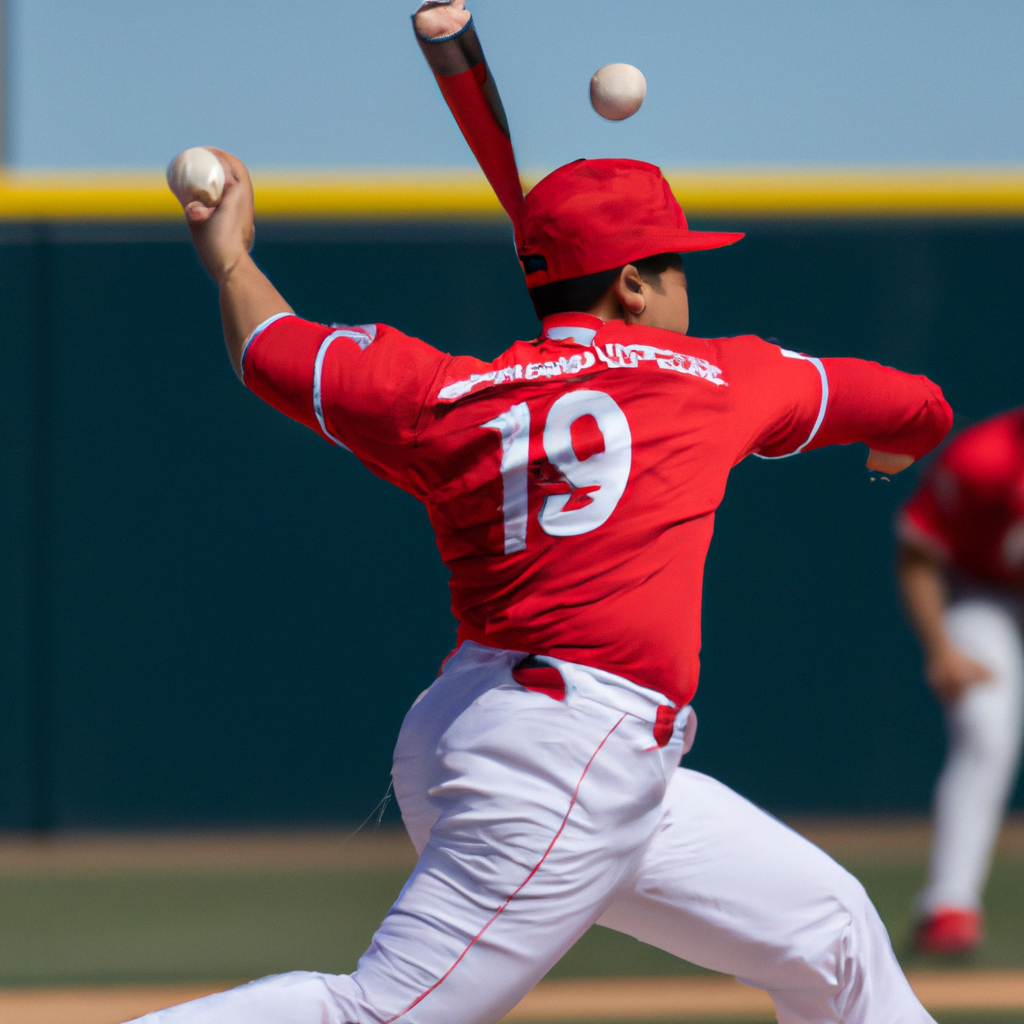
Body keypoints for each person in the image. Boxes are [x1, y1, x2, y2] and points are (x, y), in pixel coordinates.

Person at [132, 8, 952, 1024]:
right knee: (382, 1014)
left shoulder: (449, 398)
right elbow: (917, 402)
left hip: (502, 736)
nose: (689, 279)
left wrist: (228, 257)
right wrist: (898, 445)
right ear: (635, 285)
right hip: (564, 756)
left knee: (830, 929)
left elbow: (273, 350)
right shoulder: (720, 377)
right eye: (678, 263)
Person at [897, 408, 1024, 954]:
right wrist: (941, 648)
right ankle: (948, 905)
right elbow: (919, 552)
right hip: (985, 595)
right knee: (986, 727)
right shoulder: (985, 457)